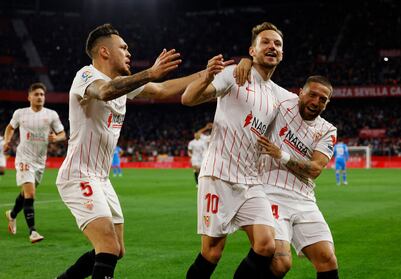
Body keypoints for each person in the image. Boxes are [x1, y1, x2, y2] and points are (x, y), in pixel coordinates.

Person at [55, 23, 208, 279]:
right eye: (123, 48)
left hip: (101, 179)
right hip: (78, 175)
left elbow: (161, 90)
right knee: (108, 247)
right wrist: (149, 72)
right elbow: (104, 92)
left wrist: (207, 74)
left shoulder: (122, 83)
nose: (129, 53)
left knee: (118, 250)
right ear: (104, 52)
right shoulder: (86, 75)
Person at [182, 22, 294, 278]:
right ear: (252, 51)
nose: (272, 47)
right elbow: (188, 98)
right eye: (265, 42)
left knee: (266, 244)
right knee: (212, 252)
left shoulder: (279, 95)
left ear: (282, 54)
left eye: (277, 44)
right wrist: (208, 76)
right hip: (219, 175)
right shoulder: (234, 74)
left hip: (251, 181)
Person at [254, 76, 339, 279]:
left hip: (304, 199)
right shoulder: (283, 101)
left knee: (327, 259)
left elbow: (316, 169)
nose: (316, 101)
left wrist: (281, 155)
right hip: (271, 192)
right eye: (312, 94)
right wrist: (246, 64)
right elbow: (260, 78)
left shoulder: (327, 130)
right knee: (281, 263)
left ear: (327, 104)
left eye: (322, 99)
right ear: (301, 92)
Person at [3, 82, 66, 243]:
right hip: (24, 158)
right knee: (30, 194)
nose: (40, 97)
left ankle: (11, 214)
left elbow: (62, 134)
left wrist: (56, 138)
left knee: (25, 194)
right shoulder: (20, 113)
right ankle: (33, 232)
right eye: (36, 94)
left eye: (42, 95)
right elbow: (10, 128)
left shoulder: (51, 115)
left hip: (40, 160)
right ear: (29, 96)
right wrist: (7, 141)